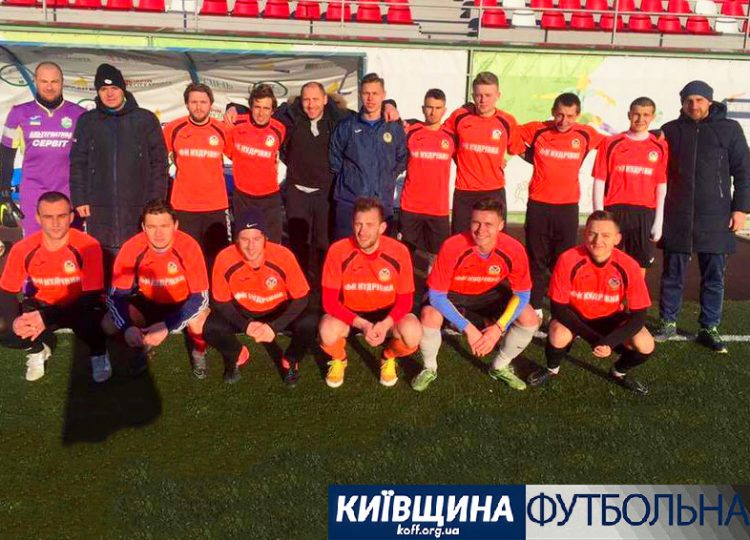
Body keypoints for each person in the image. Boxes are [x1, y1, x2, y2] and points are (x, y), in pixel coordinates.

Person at [654, 80, 750, 353]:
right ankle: (668, 322)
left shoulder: (729, 129)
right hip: (678, 214)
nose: (694, 105)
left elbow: (744, 171)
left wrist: (740, 209)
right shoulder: (670, 130)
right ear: (682, 103)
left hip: (716, 216)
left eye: (699, 100)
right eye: (689, 100)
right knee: (672, 274)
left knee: (714, 276)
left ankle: (709, 327)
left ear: (709, 101)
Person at [415, 197, 539, 392]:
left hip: (487, 293)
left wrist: (498, 329)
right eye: (476, 222)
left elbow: (522, 294)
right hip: (452, 293)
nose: (481, 230)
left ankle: (499, 366)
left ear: (501, 225)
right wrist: (469, 329)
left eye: (488, 224)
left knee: (529, 317)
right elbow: (437, 295)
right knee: (429, 315)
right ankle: (429, 367)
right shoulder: (453, 245)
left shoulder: (514, 249)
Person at [527, 211, 655, 395]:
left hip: (611, 318)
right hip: (576, 316)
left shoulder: (629, 265)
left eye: (606, 235)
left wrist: (609, 342)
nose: (597, 241)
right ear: (584, 233)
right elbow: (558, 308)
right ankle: (552, 369)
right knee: (557, 333)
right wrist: (594, 339)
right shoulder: (568, 259)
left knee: (646, 343)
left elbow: (639, 316)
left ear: (617, 239)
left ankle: (618, 372)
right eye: (592, 234)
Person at [69, 63, 168, 275]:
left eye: (114, 88)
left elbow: (159, 163)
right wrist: (80, 198)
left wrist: (156, 202)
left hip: (138, 204)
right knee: (102, 260)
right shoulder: (88, 121)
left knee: (138, 257)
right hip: (99, 206)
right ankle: (103, 295)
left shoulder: (145, 120)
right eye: (103, 89)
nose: (109, 94)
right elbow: (78, 162)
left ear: (123, 89)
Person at [0, 191, 110, 382]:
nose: (55, 223)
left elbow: (92, 294)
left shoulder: (88, 245)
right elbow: (7, 291)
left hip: (79, 305)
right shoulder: (23, 248)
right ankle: (38, 349)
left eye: (61, 216)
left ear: (71, 217)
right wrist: (15, 322)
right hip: (44, 305)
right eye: (48, 217)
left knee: (95, 321)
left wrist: (46, 317)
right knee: (4, 324)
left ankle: (98, 352)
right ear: (38, 218)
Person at [204, 207, 315, 385]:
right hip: (243, 310)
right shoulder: (224, 258)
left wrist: (274, 327)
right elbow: (221, 302)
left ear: (265, 238)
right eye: (244, 239)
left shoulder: (283, 256)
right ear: (236, 239)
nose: (251, 246)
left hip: (277, 309)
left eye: (256, 238)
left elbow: (302, 297)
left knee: (310, 321)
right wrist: (245, 324)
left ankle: (291, 360)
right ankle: (237, 353)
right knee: (210, 326)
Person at [319, 197, 421, 388]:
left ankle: (388, 356)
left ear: (382, 228)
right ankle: (339, 359)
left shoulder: (399, 251)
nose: (362, 231)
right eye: (358, 224)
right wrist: (363, 324)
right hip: (351, 314)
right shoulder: (338, 250)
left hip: (386, 313)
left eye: (369, 225)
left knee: (413, 332)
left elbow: (406, 300)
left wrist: (386, 323)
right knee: (327, 331)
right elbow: (329, 302)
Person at [103, 200, 209, 378]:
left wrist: (167, 326)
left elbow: (200, 297)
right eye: (152, 227)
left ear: (175, 225)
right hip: (149, 301)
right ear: (143, 227)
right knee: (109, 324)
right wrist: (127, 327)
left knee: (199, 319)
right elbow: (117, 295)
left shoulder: (188, 246)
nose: (158, 233)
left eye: (164, 226)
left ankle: (199, 350)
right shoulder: (132, 247)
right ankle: (141, 345)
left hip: (181, 302)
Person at [519, 93, 604, 314]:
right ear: (552, 112)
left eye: (569, 116)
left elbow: (614, 143)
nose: (563, 121)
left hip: (567, 208)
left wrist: (653, 134)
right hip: (538, 205)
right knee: (536, 260)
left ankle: (559, 310)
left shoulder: (585, 134)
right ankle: (535, 308)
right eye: (559, 115)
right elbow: (509, 135)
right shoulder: (538, 129)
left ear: (578, 116)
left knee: (564, 261)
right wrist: (530, 156)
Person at [1, 62, 86, 235]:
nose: (49, 87)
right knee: (34, 245)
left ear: (62, 82)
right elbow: (6, 156)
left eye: (54, 81)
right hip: (33, 195)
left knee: (69, 245)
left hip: (68, 194)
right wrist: (4, 193)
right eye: (44, 81)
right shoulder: (19, 113)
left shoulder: (80, 114)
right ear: (35, 81)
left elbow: (89, 159)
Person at [593, 97, 668, 276]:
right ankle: (609, 295)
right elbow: (599, 181)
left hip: (644, 213)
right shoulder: (611, 143)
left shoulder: (660, 146)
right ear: (629, 115)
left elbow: (661, 185)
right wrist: (598, 215)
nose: (640, 119)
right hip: (614, 210)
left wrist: (659, 221)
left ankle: (635, 295)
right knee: (608, 261)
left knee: (639, 264)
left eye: (646, 115)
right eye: (636, 114)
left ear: (652, 117)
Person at [329, 73, 407, 239]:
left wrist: (387, 177)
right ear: (360, 94)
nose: (370, 98)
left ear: (383, 95)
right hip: (350, 201)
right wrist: (351, 180)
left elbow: (402, 159)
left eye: (375, 93)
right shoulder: (347, 126)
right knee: (346, 248)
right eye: (366, 93)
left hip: (381, 201)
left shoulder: (393, 128)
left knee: (380, 250)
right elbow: (335, 159)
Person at [444, 71, 524, 233]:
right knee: (461, 240)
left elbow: (516, 148)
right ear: (472, 95)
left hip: (493, 191)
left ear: (498, 95)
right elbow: (441, 138)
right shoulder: (459, 116)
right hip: (465, 192)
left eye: (488, 95)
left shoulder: (507, 121)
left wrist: (500, 158)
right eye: (479, 95)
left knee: (494, 240)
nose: (483, 100)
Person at [163, 83, 232, 267]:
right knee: (186, 258)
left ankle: (213, 287)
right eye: (194, 102)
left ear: (211, 104)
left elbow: (241, 158)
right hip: (184, 206)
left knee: (216, 259)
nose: (198, 107)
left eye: (203, 102)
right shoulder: (173, 128)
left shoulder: (222, 129)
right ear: (186, 104)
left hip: (215, 207)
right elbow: (157, 161)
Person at [399, 88, 455, 271]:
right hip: (411, 206)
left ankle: (432, 287)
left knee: (437, 258)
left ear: (444, 110)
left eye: (438, 108)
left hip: (437, 208)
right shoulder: (410, 131)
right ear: (423, 108)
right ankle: (406, 285)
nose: (433, 112)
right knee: (405, 253)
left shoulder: (451, 137)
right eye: (429, 107)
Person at [228, 83, 286, 243]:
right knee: (245, 243)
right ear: (250, 107)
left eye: (266, 108)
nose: (261, 113)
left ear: (272, 111)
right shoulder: (236, 124)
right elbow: (228, 150)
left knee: (272, 244)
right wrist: (231, 107)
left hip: (269, 197)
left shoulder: (279, 129)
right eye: (257, 107)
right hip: (243, 197)